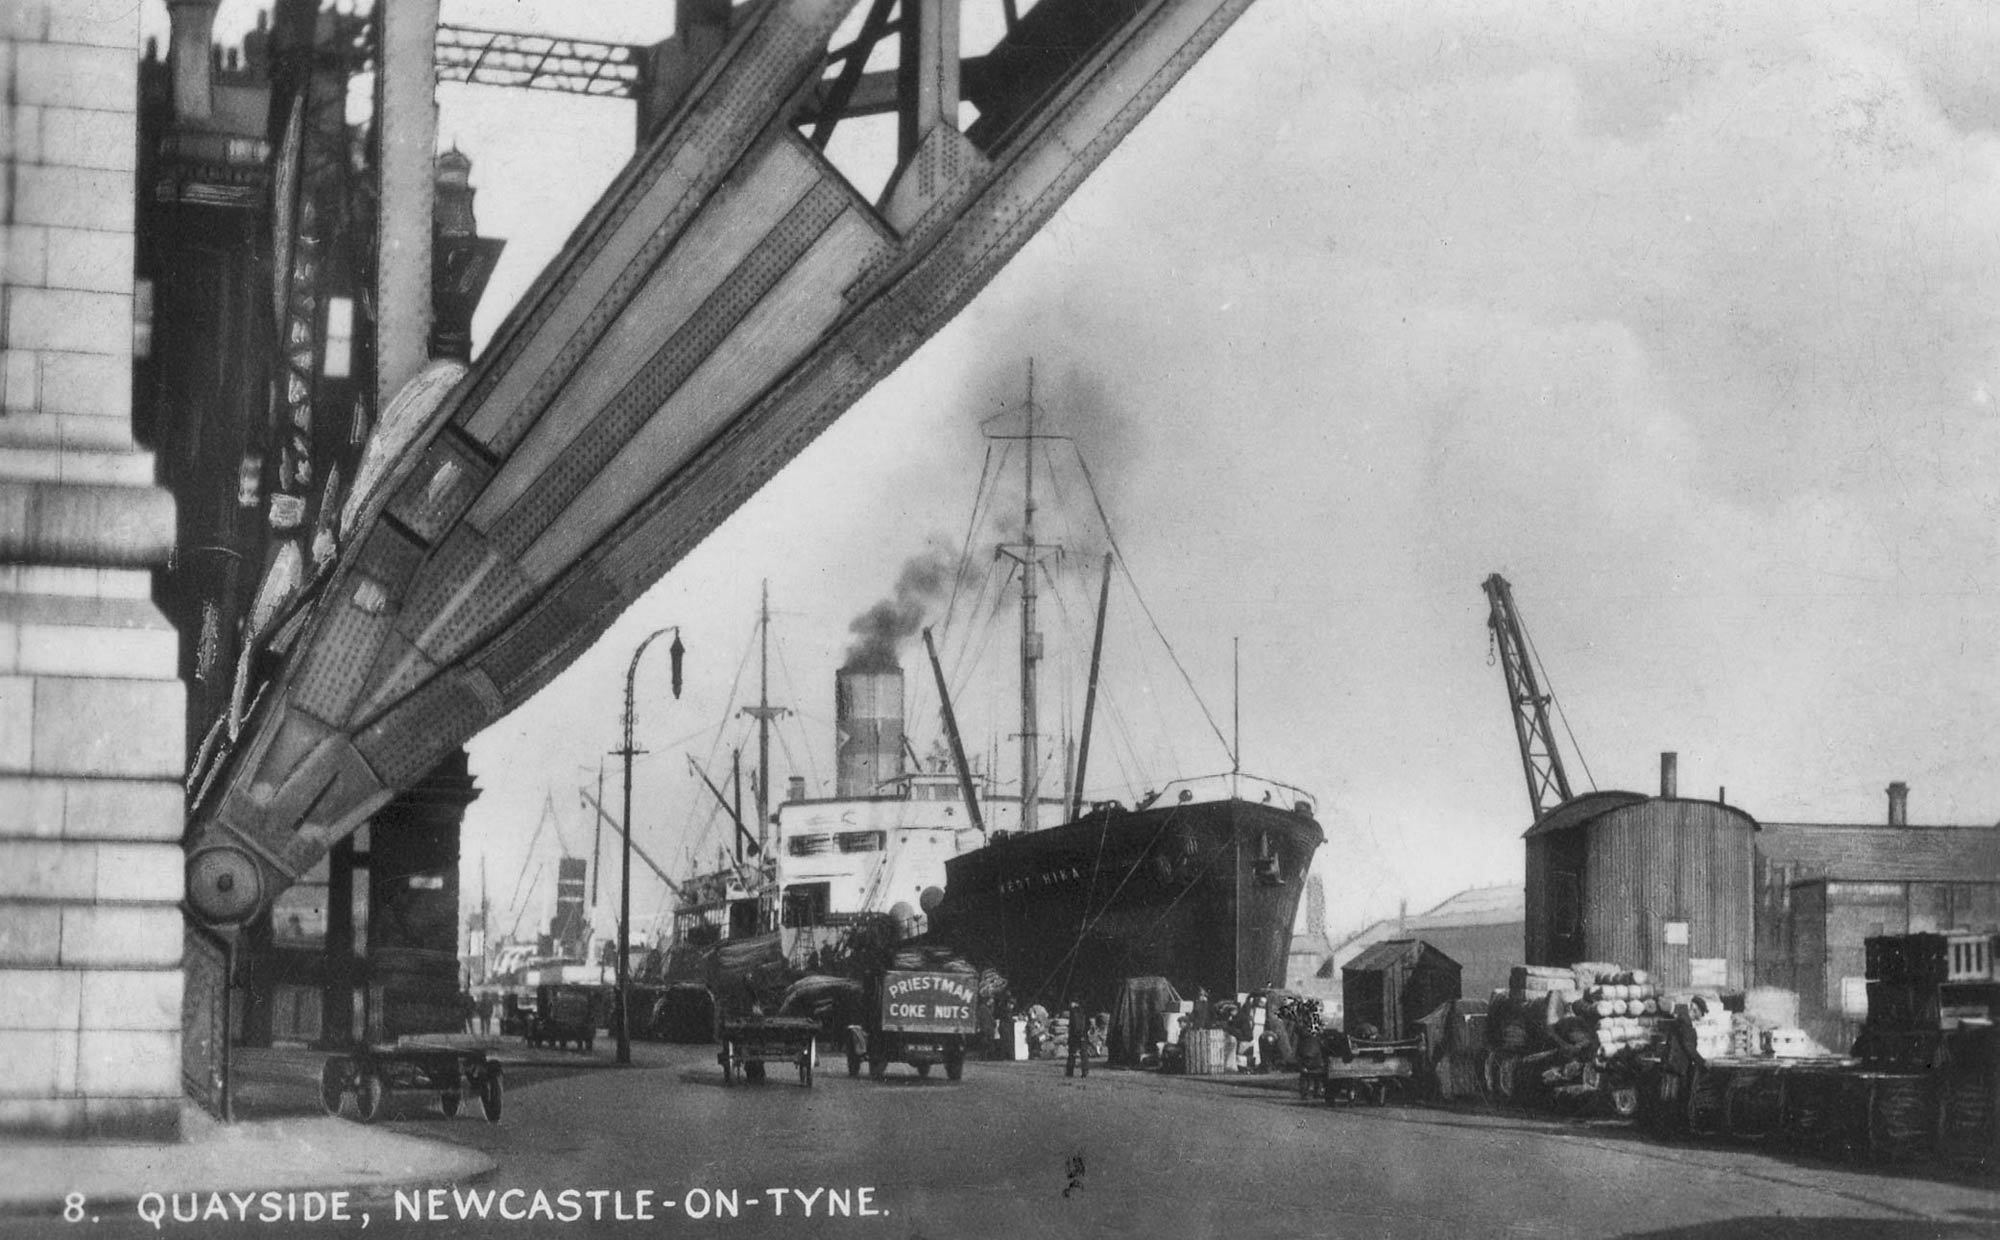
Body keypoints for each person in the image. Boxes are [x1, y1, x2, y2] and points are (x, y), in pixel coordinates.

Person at [1065, 1001, 1090, 1078]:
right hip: (1083, 1034)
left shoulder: (1074, 1012)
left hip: (1074, 1035)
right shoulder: (1085, 1011)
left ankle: (1070, 1071)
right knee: (1084, 1053)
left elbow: (1073, 1024)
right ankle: (1085, 1071)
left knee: (1072, 1053)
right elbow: (1088, 1024)